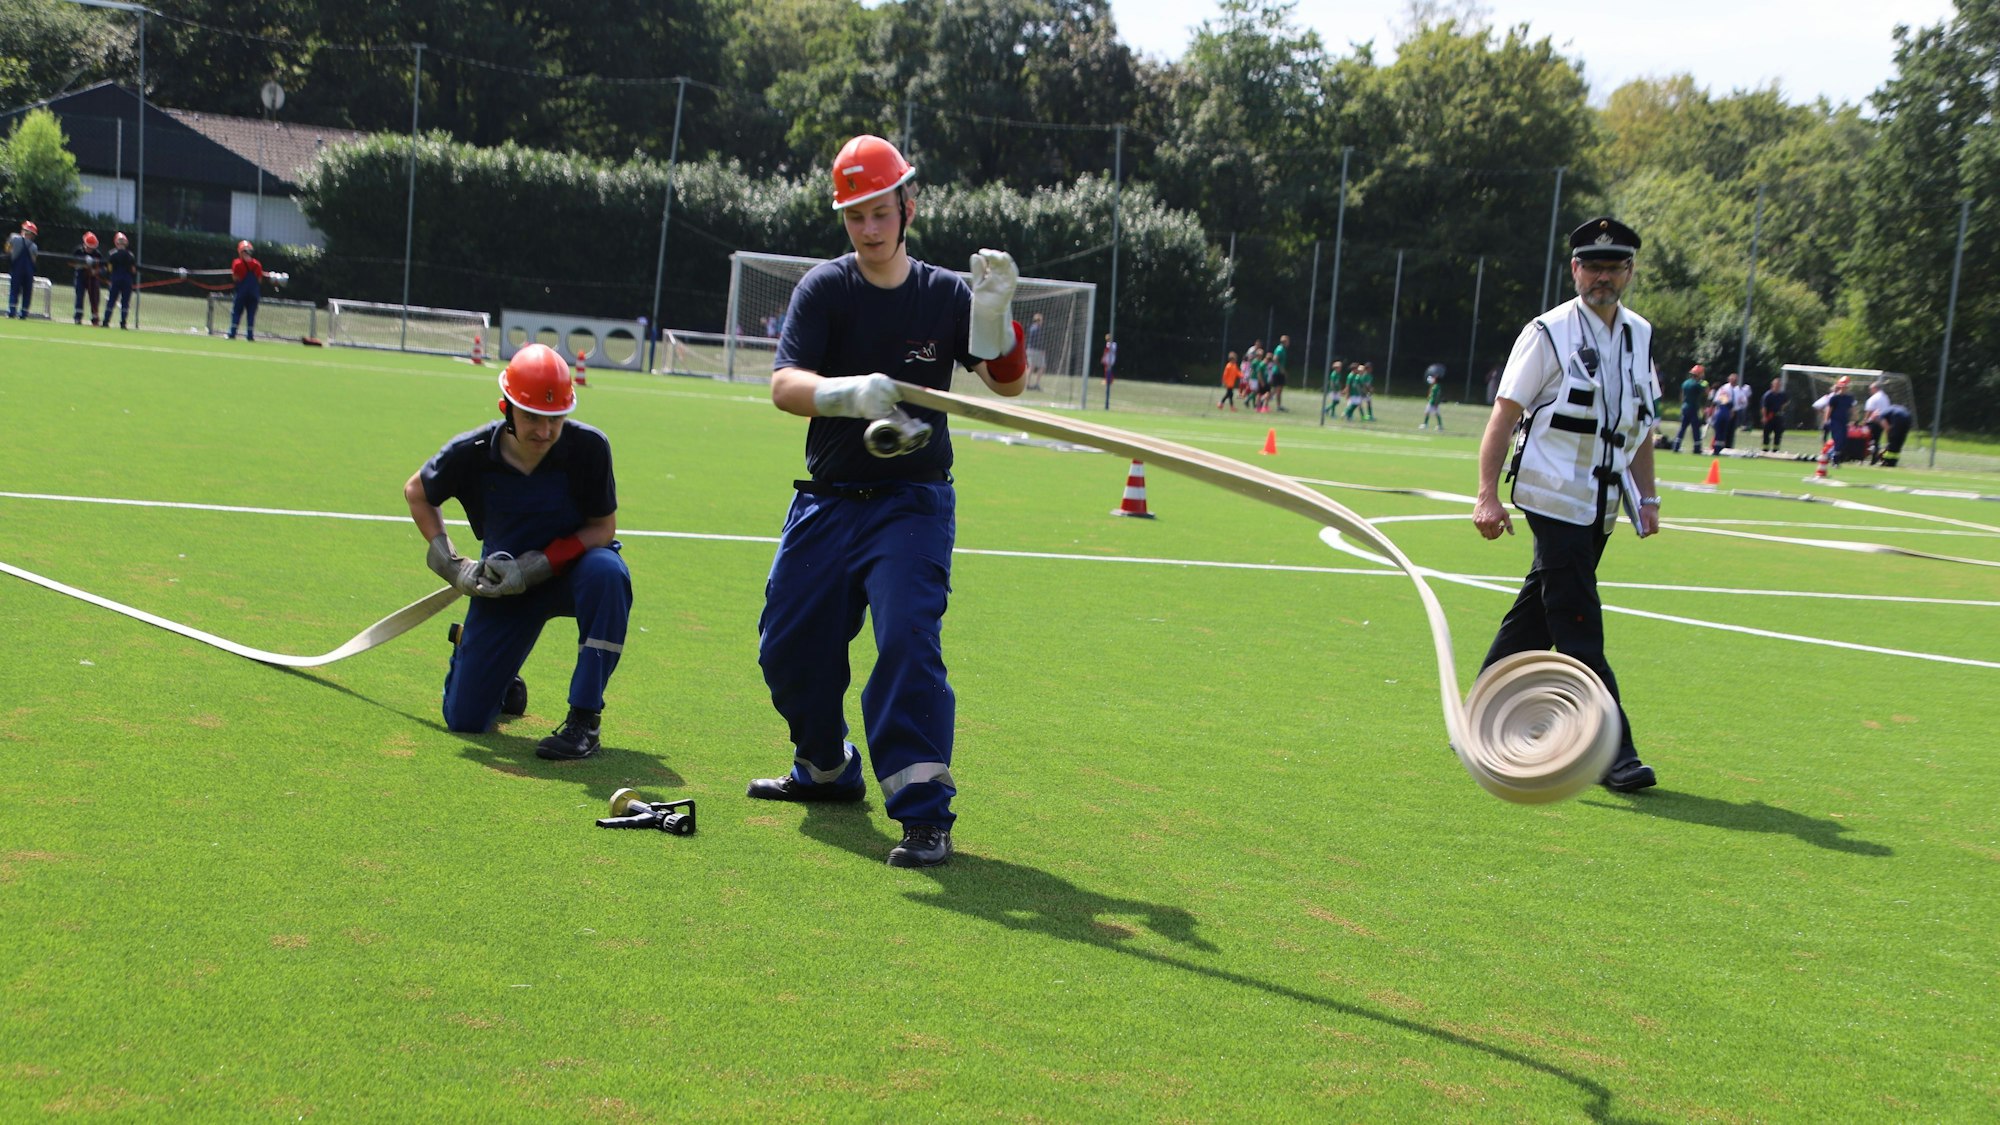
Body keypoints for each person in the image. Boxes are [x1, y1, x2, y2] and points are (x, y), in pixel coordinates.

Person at [751, 134, 1029, 869]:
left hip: (912, 504)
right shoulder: (825, 289)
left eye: (881, 212)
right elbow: (785, 385)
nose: (869, 229)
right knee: (788, 646)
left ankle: (925, 813)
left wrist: (997, 320)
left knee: (906, 640)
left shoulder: (943, 295)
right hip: (828, 501)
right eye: (855, 216)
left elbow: (1006, 386)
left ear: (909, 206)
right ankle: (825, 767)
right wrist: (847, 394)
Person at [1472, 216, 1664, 793]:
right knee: (1579, 627)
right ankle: (1613, 753)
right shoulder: (1547, 332)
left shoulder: (1640, 335)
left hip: (1600, 506)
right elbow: (1505, 414)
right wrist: (1486, 496)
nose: (1603, 276)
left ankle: (1477, 717)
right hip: (1552, 499)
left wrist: (1648, 496)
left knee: (1536, 613)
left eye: (1614, 267)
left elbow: (1641, 427)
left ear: (1630, 272)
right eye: (1592, 266)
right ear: (1575, 269)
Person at [405, 342, 632, 761]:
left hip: (573, 575)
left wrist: (540, 565)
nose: (544, 431)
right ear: (506, 409)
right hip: (504, 586)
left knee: (608, 573)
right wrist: (454, 566)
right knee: (465, 720)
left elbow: (603, 528)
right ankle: (496, 672)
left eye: (555, 418)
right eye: (531, 417)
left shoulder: (589, 448)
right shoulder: (472, 452)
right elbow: (417, 492)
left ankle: (584, 720)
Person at [1814, 376, 1856, 464]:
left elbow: (1852, 409)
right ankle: (1834, 458)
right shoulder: (1834, 398)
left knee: (1843, 441)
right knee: (1838, 440)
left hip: (1844, 421)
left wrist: (1854, 419)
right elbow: (1829, 409)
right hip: (1835, 421)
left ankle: (1828, 454)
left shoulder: (1849, 398)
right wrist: (1826, 421)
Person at [228, 240, 264, 340]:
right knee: (251, 314)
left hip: (241, 292)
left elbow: (235, 278)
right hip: (254, 293)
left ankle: (232, 333)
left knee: (236, 312)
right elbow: (259, 280)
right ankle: (250, 335)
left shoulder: (237, 263)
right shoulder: (257, 264)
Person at [104, 232, 136, 329]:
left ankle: (106, 321)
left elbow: (109, 269)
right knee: (125, 302)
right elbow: (133, 270)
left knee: (111, 301)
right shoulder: (130, 255)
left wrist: (110, 275)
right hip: (127, 280)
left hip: (115, 279)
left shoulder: (112, 254)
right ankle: (123, 323)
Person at [72, 231, 105, 325]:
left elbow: (104, 268)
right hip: (80, 278)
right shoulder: (78, 251)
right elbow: (72, 262)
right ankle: (78, 317)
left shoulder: (98, 254)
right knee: (79, 297)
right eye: (88, 247)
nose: (90, 249)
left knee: (94, 299)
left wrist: (96, 271)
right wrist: (83, 263)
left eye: (92, 247)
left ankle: (95, 318)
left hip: (93, 279)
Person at [5, 220, 37, 319]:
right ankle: (23, 313)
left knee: (14, 291)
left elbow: (7, 249)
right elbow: (34, 260)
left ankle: (12, 311)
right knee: (27, 293)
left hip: (16, 270)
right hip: (28, 272)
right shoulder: (34, 246)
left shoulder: (14, 238)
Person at [1673, 363, 1707, 453]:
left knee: (1682, 427)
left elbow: (1681, 396)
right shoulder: (1697, 385)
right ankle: (1697, 448)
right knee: (1696, 428)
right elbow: (1705, 392)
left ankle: (1676, 446)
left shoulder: (1685, 383)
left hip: (1685, 407)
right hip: (1693, 408)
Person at [1710, 372, 1741, 453]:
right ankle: (1717, 449)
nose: (1734, 381)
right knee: (1720, 431)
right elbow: (1720, 400)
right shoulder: (1724, 388)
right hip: (1723, 411)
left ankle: (1724, 448)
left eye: (1736, 380)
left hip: (1730, 411)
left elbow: (1740, 400)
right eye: (1733, 379)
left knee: (1727, 432)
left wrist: (1734, 409)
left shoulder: (1737, 389)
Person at [1761, 376, 1788, 452]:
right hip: (1769, 416)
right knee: (1766, 434)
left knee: (1778, 434)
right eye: (1776, 384)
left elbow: (1786, 402)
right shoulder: (1768, 395)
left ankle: (1776, 450)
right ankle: (1765, 450)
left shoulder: (1782, 395)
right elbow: (1764, 407)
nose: (1778, 386)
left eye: (1779, 384)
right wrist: (1764, 417)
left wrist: (1781, 409)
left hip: (1778, 417)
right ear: (1773, 385)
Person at [1025, 311, 1047, 391]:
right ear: (1038, 320)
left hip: (1031, 350)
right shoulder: (1036, 329)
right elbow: (1037, 341)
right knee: (1040, 367)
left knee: (1032, 367)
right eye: (1041, 320)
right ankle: (1034, 384)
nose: (1042, 321)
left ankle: (1028, 385)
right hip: (1035, 350)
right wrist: (1042, 349)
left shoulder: (1032, 328)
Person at [1271, 334, 1291, 411]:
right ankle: (1263, 400)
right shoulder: (1280, 349)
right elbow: (1275, 359)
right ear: (1285, 342)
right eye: (1288, 341)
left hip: (1280, 372)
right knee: (1277, 389)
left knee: (1278, 390)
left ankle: (1278, 406)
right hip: (1277, 372)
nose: (1289, 343)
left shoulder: (1283, 349)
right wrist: (1281, 369)